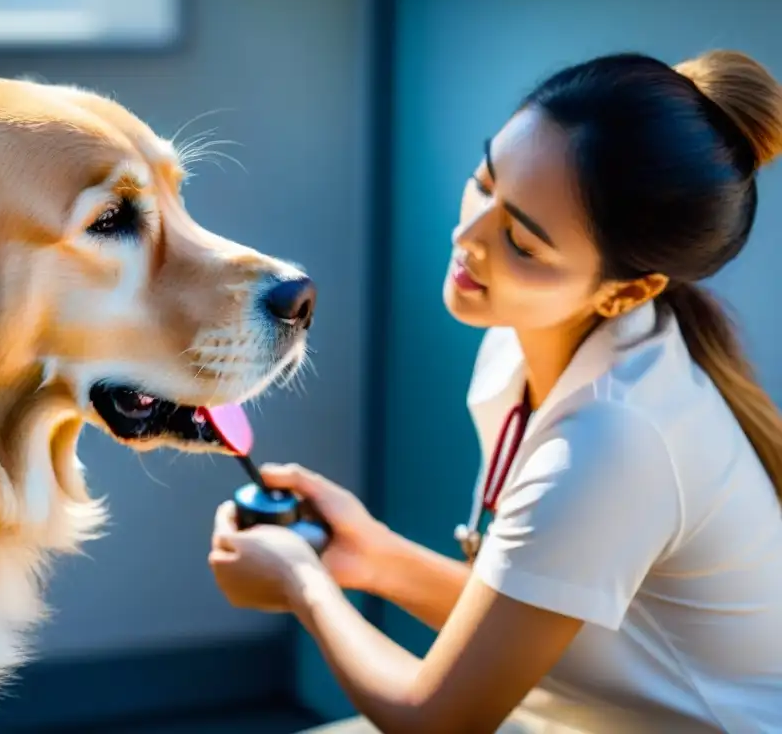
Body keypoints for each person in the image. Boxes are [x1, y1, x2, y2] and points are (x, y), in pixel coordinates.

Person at [207, 49, 782, 734]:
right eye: (485, 182)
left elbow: (437, 718)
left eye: (522, 243)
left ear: (628, 290)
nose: (467, 237)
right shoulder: (519, 348)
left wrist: (303, 584)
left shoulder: (616, 439)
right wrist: (372, 555)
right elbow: (529, 617)